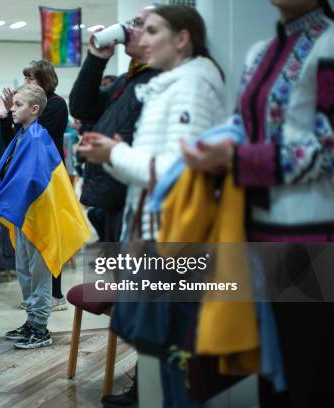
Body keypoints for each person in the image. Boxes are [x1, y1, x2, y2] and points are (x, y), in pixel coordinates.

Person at [182, 0, 334, 406]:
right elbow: (244, 128)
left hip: (312, 235)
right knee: (271, 371)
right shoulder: (261, 51)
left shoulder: (330, 45)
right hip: (253, 229)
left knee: (309, 372)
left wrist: (235, 159)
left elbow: (329, 147)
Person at [79, 5, 226, 407]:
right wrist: (110, 155)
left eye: (152, 30)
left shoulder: (193, 85)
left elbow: (178, 174)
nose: (139, 37)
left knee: (180, 360)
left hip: (176, 240)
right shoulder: (166, 83)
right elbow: (149, 170)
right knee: (164, 351)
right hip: (154, 234)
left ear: (181, 39)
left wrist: (115, 154)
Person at [0, 84, 90, 350]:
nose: (12, 108)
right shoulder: (23, 135)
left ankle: (41, 327)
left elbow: (30, 179)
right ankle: (31, 321)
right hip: (25, 213)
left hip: (38, 215)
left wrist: (2, 199)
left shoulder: (37, 138)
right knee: (25, 271)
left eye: (17, 104)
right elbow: (9, 170)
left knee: (39, 273)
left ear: (34, 109)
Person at [70, 7, 160, 244]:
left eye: (140, 24)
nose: (130, 28)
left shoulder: (161, 80)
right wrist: (96, 59)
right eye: (133, 21)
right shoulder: (128, 79)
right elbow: (81, 108)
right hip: (115, 198)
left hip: (139, 201)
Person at [0, 59, 70, 311]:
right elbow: (14, 142)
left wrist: (13, 116)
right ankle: (35, 299)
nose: (25, 82)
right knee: (26, 247)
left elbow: (36, 138)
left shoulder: (55, 105)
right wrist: (6, 116)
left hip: (46, 179)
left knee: (46, 238)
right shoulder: (27, 117)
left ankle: (53, 297)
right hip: (27, 179)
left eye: (30, 78)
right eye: (25, 78)